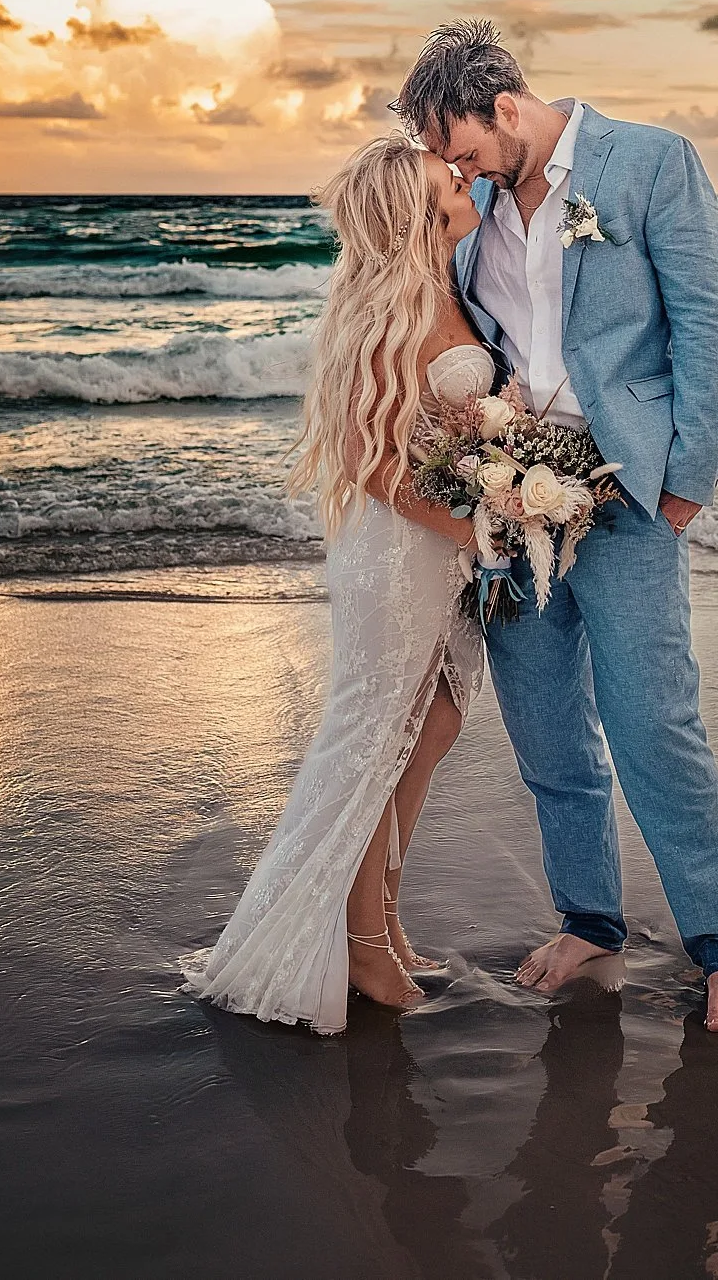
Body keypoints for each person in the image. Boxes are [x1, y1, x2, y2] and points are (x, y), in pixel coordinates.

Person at [393, 21, 718, 1031]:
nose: (452, 168)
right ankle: (591, 920)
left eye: (459, 146)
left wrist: (687, 477)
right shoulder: (470, 199)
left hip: (627, 485)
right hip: (505, 490)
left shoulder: (647, 162)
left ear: (504, 108)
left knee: (654, 718)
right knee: (548, 725)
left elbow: (708, 321)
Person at [183, 136, 489, 1033]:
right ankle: (361, 944)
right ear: (414, 211)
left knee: (433, 721)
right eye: (447, 179)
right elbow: (369, 461)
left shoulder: (448, 284)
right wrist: (479, 523)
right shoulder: (380, 308)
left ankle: (387, 912)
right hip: (395, 550)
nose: (464, 178)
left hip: (442, 543)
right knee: (374, 736)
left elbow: (444, 432)